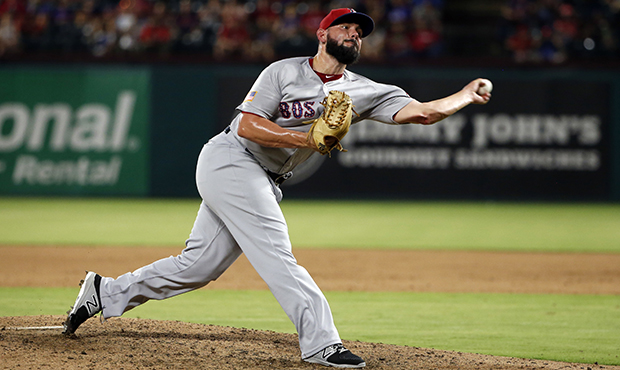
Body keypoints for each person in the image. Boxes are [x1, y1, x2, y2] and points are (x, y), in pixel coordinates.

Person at [63, 8, 491, 369]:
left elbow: (422, 114)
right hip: (231, 158)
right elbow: (248, 124)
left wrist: (465, 96)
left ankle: (104, 291)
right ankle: (322, 342)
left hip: (263, 177)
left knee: (198, 266)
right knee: (274, 249)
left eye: (359, 33)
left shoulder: (366, 91)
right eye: (346, 27)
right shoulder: (283, 71)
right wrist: (306, 138)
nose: (354, 35)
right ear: (323, 34)